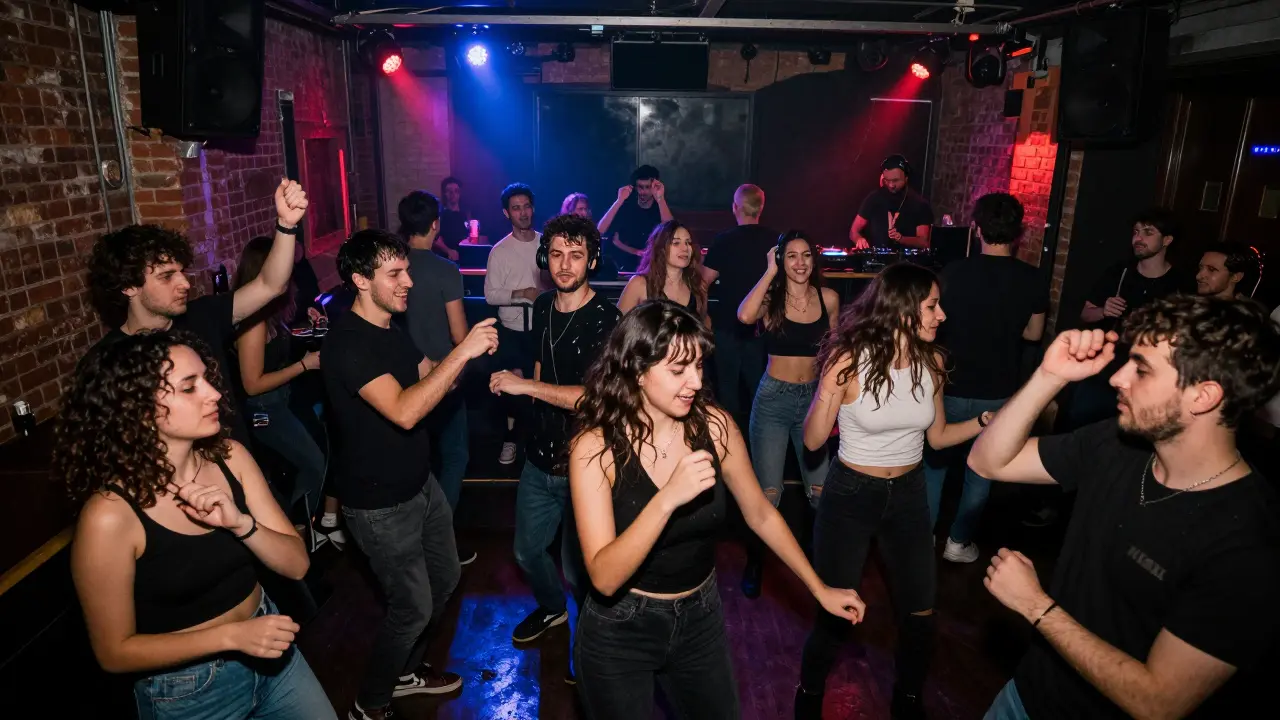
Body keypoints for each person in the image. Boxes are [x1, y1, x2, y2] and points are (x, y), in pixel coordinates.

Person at [969, 295, 1280, 719]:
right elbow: (988, 461)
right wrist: (1049, 375)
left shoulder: (1248, 544)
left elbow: (1159, 702)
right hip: (1024, 696)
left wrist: (1035, 607)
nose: (1117, 378)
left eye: (1143, 369)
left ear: (1204, 396)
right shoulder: (1116, 444)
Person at [569, 301, 866, 720]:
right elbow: (603, 576)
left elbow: (760, 513)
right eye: (678, 370)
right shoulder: (594, 448)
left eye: (698, 367)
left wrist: (819, 589)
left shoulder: (714, 426)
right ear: (637, 370)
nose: (695, 382)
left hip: (699, 615)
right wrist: (668, 497)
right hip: (622, 628)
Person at [59, 330, 336, 720]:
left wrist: (242, 525)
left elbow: (298, 565)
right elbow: (114, 651)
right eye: (190, 387)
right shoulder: (110, 516)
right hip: (189, 692)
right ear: (139, 408)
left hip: (274, 653)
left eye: (207, 379)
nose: (215, 394)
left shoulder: (231, 457)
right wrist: (231, 637)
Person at [796, 262, 994, 720]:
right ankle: (808, 696)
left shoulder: (934, 362)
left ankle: (907, 701)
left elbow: (939, 437)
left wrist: (986, 422)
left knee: (921, 614)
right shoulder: (849, 360)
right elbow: (810, 441)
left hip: (908, 497)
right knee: (836, 614)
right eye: (931, 305)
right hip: (849, 496)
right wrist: (829, 384)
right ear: (903, 309)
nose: (941, 315)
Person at [321, 230, 500, 720]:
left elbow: (430, 375)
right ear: (360, 280)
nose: (408, 282)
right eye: (394, 274)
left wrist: (478, 363)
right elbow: (403, 411)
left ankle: (404, 671)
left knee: (443, 580)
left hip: (419, 485)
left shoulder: (389, 331)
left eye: (406, 271)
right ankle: (370, 703)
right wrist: (462, 352)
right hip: (378, 506)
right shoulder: (348, 343)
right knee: (413, 607)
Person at [489, 215, 620, 678]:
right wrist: (529, 406)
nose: (565, 265)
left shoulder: (608, 320)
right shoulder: (543, 305)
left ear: (592, 260)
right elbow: (542, 366)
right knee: (526, 551)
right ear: (546, 258)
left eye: (576, 255)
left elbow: (599, 398)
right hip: (539, 455)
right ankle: (551, 608)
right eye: (558, 254)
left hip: (586, 463)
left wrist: (527, 389)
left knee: (582, 569)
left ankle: (587, 645)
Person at [86, 179, 309, 447]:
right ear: (128, 287)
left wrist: (286, 224)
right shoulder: (107, 360)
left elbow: (270, 285)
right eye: (167, 276)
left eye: (182, 271)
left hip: (236, 464)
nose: (184, 283)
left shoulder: (203, 316)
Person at [924, 193, 1046, 563]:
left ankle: (924, 538)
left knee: (935, 464)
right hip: (999, 390)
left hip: (952, 384)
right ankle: (958, 542)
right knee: (982, 468)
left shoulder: (953, 273)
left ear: (976, 229)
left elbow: (935, 325)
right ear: (1018, 232)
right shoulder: (1032, 278)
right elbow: (1034, 334)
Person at [735, 231, 840, 597]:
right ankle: (756, 561)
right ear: (782, 260)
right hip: (773, 402)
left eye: (805, 255)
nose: (799, 263)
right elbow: (744, 315)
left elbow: (836, 353)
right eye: (791, 256)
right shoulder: (771, 298)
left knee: (820, 491)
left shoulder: (828, 298)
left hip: (814, 400)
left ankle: (816, 561)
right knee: (768, 494)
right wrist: (768, 270)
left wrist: (835, 402)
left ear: (814, 260)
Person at [232, 237, 336, 548]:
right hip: (264, 410)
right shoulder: (252, 323)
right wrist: (305, 366)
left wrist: (310, 320)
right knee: (314, 464)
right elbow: (252, 383)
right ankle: (294, 532)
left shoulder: (268, 312)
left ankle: (305, 528)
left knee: (323, 451)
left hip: (283, 400)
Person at [399, 190, 476, 566]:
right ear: (435, 225)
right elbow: (459, 335)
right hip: (443, 379)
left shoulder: (391, 267)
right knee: (455, 455)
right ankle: (439, 539)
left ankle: (414, 540)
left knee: (415, 460)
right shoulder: (446, 270)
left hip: (400, 380)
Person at [1070, 208, 1195, 429]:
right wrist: (1103, 310)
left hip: (1147, 377)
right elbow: (1085, 314)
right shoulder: (1119, 273)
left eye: (1148, 232)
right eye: (1136, 231)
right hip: (1104, 371)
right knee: (1081, 430)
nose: (1138, 238)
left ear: (1167, 240)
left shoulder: (1180, 284)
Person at [703, 184, 776, 431]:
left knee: (727, 391)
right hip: (761, 327)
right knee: (759, 390)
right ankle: (761, 442)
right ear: (761, 208)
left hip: (727, 326)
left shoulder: (724, 241)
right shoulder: (774, 240)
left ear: (735, 207)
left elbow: (703, 281)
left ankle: (728, 445)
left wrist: (703, 316)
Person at [484, 183, 546, 465]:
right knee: (514, 386)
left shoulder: (546, 244)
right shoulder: (500, 251)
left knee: (540, 385)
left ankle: (536, 443)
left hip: (543, 329)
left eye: (527, 206)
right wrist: (522, 294)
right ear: (506, 213)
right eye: (516, 208)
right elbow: (490, 295)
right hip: (511, 331)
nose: (523, 212)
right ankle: (513, 439)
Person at [617, 219, 711, 325]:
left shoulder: (698, 285)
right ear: (661, 248)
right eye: (676, 243)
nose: (685, 248)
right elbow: (618, 328)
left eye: (688, 243)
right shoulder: (639, 284)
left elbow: (704, 323)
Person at [597, 165, 674, 273]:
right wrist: (619, 201)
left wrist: (660, 199)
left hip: (652, 267)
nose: (643, 192)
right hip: (623, 265)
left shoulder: (661, 207)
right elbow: (600, 230)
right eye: (640, 187)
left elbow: (671, 231)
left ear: (655, 186)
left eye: (648, 187)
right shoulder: (626, 205)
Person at [849, 155, 933, 250]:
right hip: (875, 261)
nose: (891, 185)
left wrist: (902, 239)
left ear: (906, 177)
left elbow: (923, 242)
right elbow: (853, 231)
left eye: (895, 180)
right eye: (887, 180)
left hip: (906, 262)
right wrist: (859, 239)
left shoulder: (920, 204)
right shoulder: (873, 198)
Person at [435, 176, 470, 261]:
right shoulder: (440, 215)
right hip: (445, 260)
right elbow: (436, 239)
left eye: (456, 191)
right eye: (449, 191)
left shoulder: (466, 215)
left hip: (465, 258)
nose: (453, 194)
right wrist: (449, 251)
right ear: (444, 193)